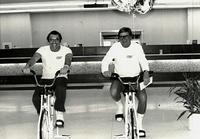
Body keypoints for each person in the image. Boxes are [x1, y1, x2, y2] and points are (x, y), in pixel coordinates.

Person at [101, 27, 150, 137]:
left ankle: (140, 125)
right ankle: (120, 107)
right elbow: (106, 60)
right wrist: (105, 70)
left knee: (143, 98)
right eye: (121, 37)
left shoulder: (137, 47)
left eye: (126, 36)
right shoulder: (115, 47)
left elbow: (143, 60)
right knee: (113, 92)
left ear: (131, 37)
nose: (123, 39)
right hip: (120, 79)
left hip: (136, 78)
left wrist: (146, 72)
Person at [22, 30, 73, 127]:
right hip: (45, 78)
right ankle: (42, 115)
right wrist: (27, 66)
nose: (54, 42)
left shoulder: (66, 50)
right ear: (48, 41)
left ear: (60, 41)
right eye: (51, 39)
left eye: (57, 39)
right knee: (36, 98)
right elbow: (34, 59)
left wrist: (66, 67)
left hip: (59, 76)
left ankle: (59, 115)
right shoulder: (43, 49)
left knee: (60, 88)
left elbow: (68, 59)